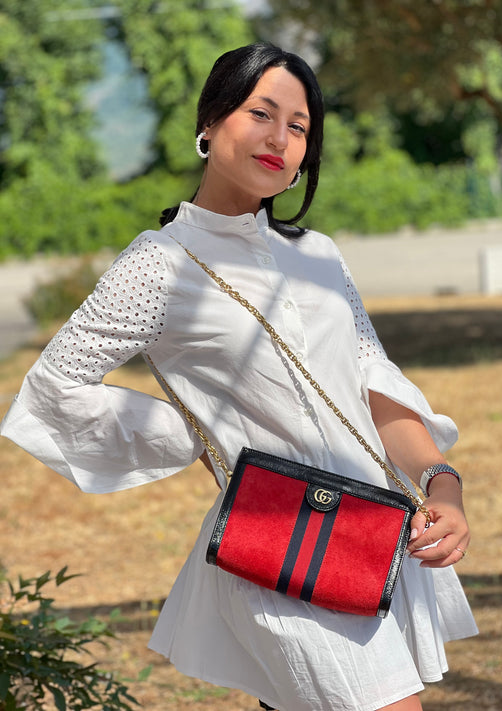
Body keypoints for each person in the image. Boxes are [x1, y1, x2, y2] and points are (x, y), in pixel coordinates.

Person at [1, 42, 477, 711]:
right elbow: (55, 386)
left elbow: (371, 378)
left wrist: (442, 484)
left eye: (299, 127)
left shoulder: (318, 254)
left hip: (373, 534)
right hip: (277, 546)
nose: (279, 138)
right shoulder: (159, 264)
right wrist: (180, 435)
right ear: (210, 120)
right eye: (261, 113)